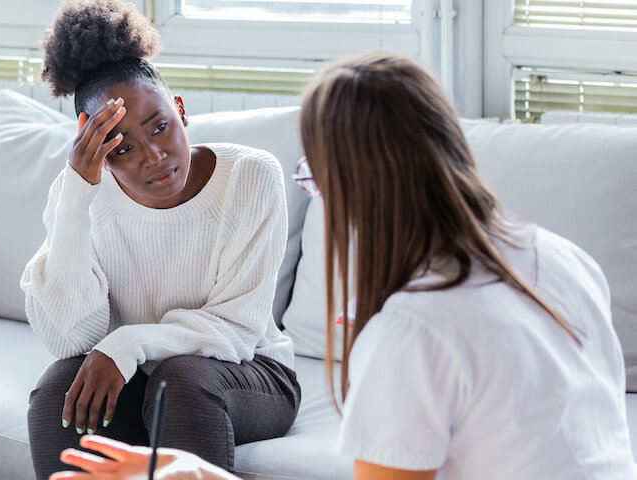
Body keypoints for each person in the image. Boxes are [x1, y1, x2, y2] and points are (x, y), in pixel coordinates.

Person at [50, 53, 636, 480]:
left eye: (317, 180)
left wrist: (193, 475)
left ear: (356, 190)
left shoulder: (412, 332)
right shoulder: (563, 259)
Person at [20, 1, 300, 479]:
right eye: (124, 147)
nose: (154, 156)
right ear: (100, 153)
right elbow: (71, 337)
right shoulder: (79, 196)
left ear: (182, 111)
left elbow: (237, 330)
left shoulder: (250, 177)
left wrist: (129, 342)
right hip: (139, 381)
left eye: (161, 126)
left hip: (248, 373)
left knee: (182, 382)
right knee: (56, 395)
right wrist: (76, 191)